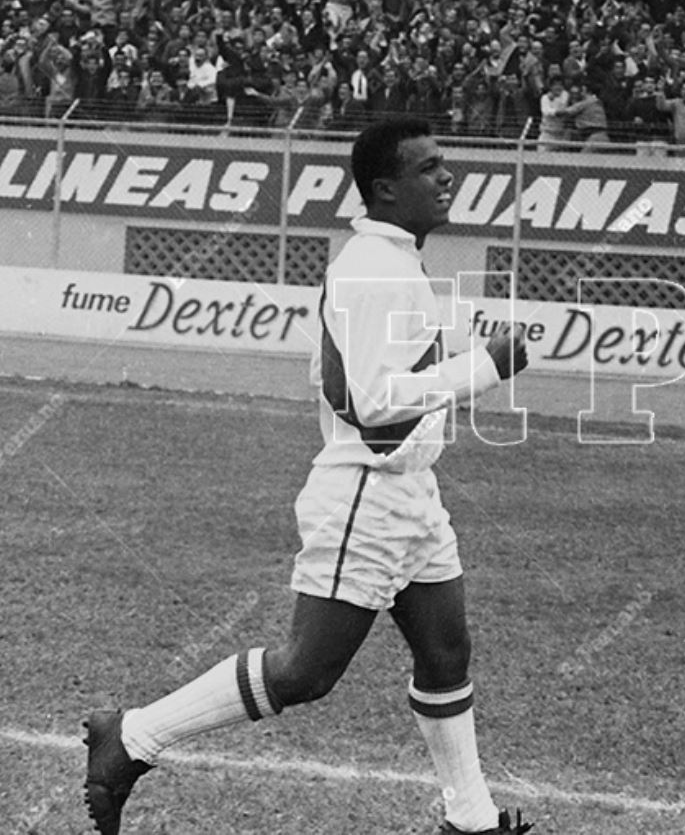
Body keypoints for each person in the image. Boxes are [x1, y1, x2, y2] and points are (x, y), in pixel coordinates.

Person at [83, 118, 534, 835]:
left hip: (410, 490)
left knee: (447, 651)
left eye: (444, 164)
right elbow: (371, 405)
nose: (447, 177)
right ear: (385, 188)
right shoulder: (373, 268)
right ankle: (131, 736)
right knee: (305, 672)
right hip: (366, 489)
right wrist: (485, 366)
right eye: (429, 168)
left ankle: (470, 817)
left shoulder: (394, 261)